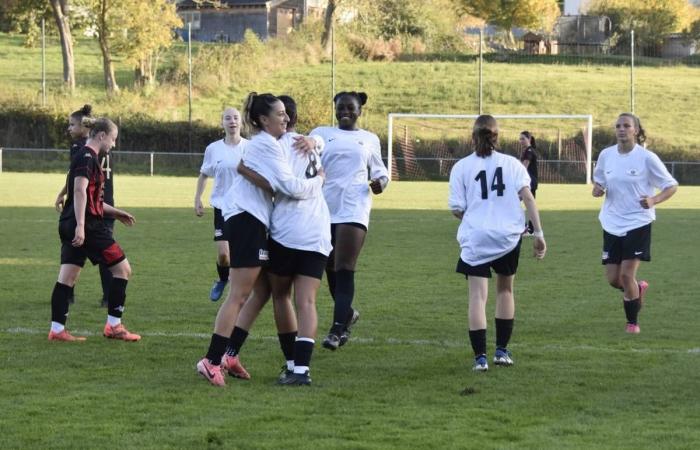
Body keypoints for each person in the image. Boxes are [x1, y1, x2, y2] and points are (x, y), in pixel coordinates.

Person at [196, 93, 324, 387]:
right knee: (239, 294)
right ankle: (212, 360)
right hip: (246, 219)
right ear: (263, 120)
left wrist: (315, 142)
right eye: (280, 114)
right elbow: (290, 186)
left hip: (254, 220)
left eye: (285, 113)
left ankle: (234, 355)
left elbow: (252, 172)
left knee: (264, 291)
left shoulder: (266, 143)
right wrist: (320, 179)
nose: (286, 119)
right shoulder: (267, 144)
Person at [234, 95, 330, 386]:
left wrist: (245, 171)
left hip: (288, 231)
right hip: (319, 232)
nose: (284, 118)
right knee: (308, 301)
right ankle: (300, 369)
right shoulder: (309, 141)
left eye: (284, 113)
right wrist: (317, 145)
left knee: (280, 296)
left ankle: (290, 362)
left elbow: (284, 186)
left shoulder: (277, 146)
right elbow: (322, 142)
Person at [448, 115, 546, 372]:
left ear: (472, 137)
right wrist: (538, 234)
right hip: (508, 236)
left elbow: (457, 209)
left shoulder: (461, 167)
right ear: (497, 137)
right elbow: (529, 199)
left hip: (477, 237)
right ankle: (501, 351)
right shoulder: (513, 164)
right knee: (505, 291)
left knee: (477, 298)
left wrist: (476, 214)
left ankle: (480, 357)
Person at [49, 117, 140, 342]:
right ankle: (114, 326)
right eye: (113, 139)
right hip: (87, 226)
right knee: (123, 270)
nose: (114, 144)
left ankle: (57, 330)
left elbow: (93, 200)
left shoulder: (87, 156)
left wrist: (117, 212)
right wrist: (81, 226)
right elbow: (79, 191)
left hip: (72, 223)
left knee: (67, 278)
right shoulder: (88, 156)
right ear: (102, 136)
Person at [310, 91, 389, 351]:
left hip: (354, 206)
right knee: (329, 266)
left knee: (344, 266)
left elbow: (380, 171)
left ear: (359, 111)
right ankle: (348, 314)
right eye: (340, 107)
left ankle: (336, 329)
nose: (345, 112)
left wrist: (380, 183)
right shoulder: (320, 133)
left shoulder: (368, 139)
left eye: (350, 108)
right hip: (322, 207)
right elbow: (307, 163)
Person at [592, 113, 678, 334]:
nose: (621, 129)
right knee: (613, 279)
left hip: (637, 223)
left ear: (636, 131)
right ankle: (637, 290)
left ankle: (632, 323)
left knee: (626, 275)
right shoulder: (606, 155)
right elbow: (599, 180)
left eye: (626, 126)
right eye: (618, 126)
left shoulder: (647, 158)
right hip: (611, 222)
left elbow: (671, 185)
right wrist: (597, 188)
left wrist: (653, 200)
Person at [54, 104, 115, 307]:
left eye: (72, 124)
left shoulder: (83, 148)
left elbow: (77, 180)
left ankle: (67, 295)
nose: (69, 129)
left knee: (73, 250)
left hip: (88, 208)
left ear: (83, 126)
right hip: (105, 202)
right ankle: (108, 298)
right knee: (107, 256)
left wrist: (63, 194)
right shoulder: (103, 145)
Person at [194, 107, 249, 301]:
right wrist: (198, 198)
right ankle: (222, 279)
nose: (232, 121)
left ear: (241, 122)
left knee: (241, 255)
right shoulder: (213, 148)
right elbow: (203, 175)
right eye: (228, 118)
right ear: (222, 123)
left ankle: (237, 290)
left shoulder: (250, 148)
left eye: (235, 118)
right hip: (221, 208)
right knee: (224, 255)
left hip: (244, 209)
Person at [519, 131, 538, 235]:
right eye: (520, 139)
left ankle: (529, 229)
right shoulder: (528, 150)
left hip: (528, 183)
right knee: (526, 204)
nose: (521, 141)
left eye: (523, 139)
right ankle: (529, 228)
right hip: (529, 182)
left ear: (529, 139)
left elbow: (523, 167)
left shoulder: (529, 151)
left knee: (525, 204)